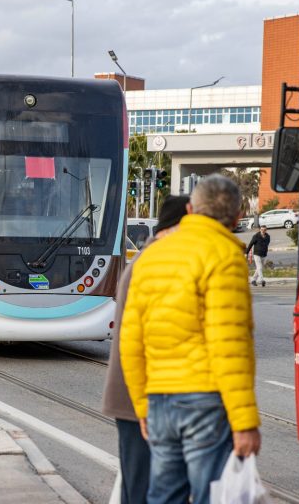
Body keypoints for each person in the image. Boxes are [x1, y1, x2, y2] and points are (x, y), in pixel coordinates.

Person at [120, 175, 261, 504]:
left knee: (164, 496)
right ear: (237, 215)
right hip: (204, 401)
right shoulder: (224, 255)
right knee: (210, 494)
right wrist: (245, 423)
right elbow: (230, 345)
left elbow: (131, 341)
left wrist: (143, 406)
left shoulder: (151, 256)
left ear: (190, 208)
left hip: (159, 402)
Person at [102, 195, 189, 504]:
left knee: (138, 485)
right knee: (141, 487)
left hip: (141, 399)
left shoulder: (154, 258)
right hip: (139, 401)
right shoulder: (154, 263)